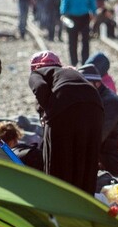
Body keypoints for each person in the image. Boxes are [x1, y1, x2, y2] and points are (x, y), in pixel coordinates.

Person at [28, 51, 103, 194]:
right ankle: (84, 205)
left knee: (57, 159)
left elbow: (40, 87)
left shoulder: (37, 73)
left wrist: (49, 112)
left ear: (35, 67)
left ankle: (57, 201)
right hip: (95, 105)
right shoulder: (68, 72)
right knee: (87, 159)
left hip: (63, 104)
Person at [78, 64, 118, 177]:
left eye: (84, 84)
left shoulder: (109, 104)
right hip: (106, 155)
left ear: (97, 83)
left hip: (117, 163)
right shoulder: (99, 98)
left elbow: (94, 139)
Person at [60, 0, 97, 66]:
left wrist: (94, 12)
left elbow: (92, 0)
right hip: (72, 17)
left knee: (85, 41)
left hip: (84, 17)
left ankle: (85, 63)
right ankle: (73, 63)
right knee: (72, 42)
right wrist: (63, 13)